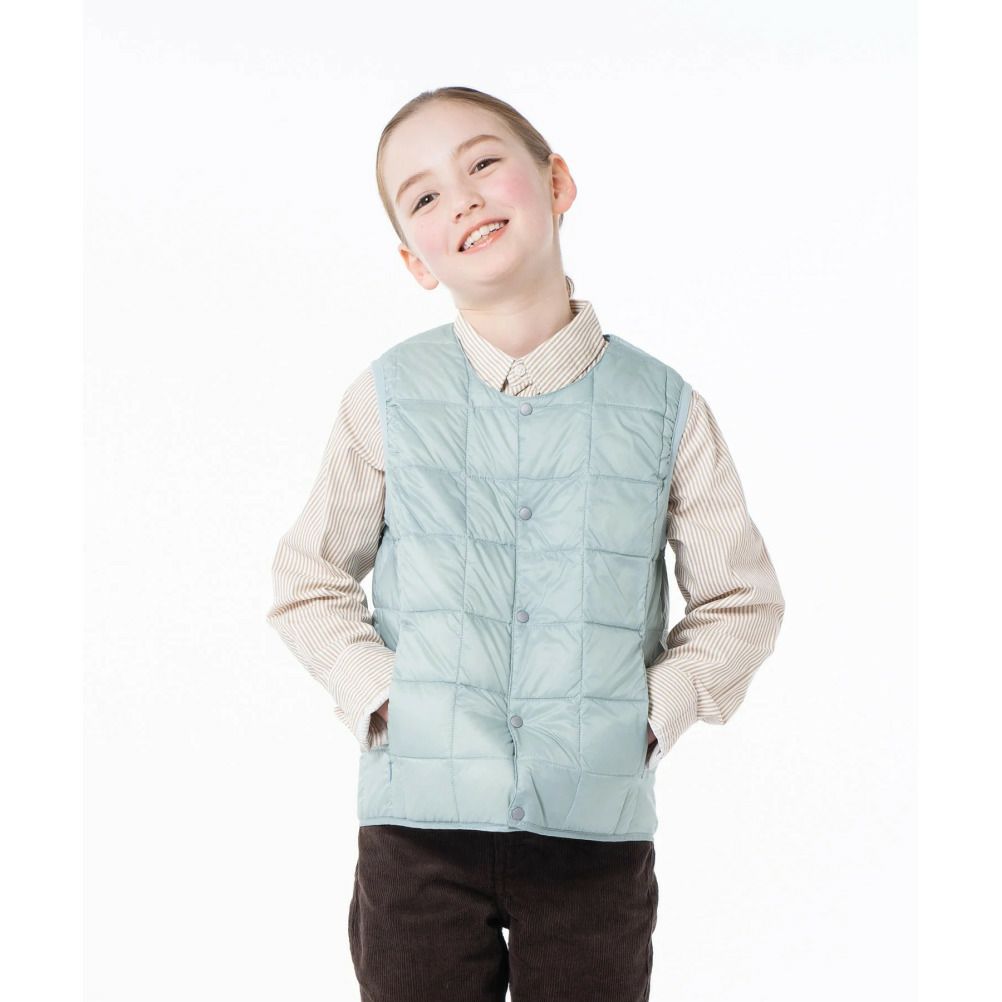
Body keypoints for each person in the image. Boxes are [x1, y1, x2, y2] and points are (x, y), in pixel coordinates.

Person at [265, 86, 785, 1002]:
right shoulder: (387, 397)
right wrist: (387, 701)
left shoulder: (665, 408)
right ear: (414, 259)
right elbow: (309, 579)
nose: (462, 198)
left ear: (556, 181)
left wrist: (647, 715)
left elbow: (741, 601)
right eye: (425, 196)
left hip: (594, 838)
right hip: (416, 838)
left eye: (482, 163)